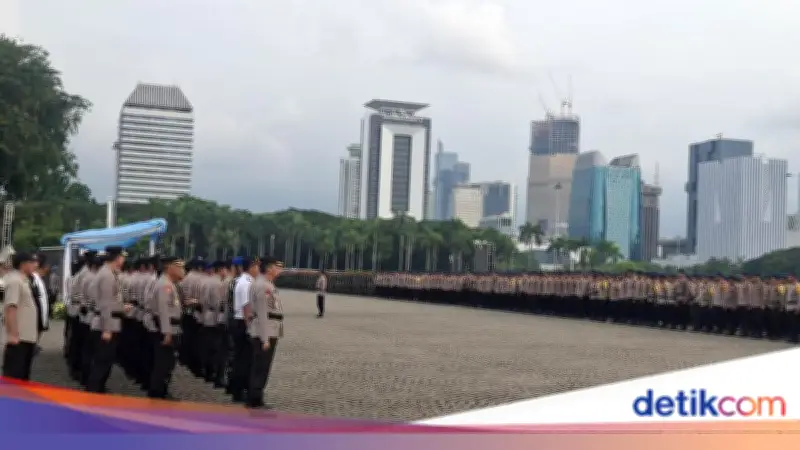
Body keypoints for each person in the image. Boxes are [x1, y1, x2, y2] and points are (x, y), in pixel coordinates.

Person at [86, 246, 128, 393]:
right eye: (123, 257)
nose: (124, 260)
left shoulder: (108, 273)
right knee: (102, 362)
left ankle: (98, 389)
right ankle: (94, 392)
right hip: (105, 325)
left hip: (108, 322)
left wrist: (121, 307)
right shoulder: (107, 275)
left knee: (105, 361)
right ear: (117, 258)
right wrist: (107, 329)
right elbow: (104, 304)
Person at [246, 256, 284, 409]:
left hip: (267, 328)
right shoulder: (263, 285)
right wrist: (265, 338)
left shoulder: (265, 283)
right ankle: (255, 398)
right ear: (269, 268)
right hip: (266, 329)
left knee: (262, 366)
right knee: (261, 366)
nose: (279, 270)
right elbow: (262, 312)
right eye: (277, 266)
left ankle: (256, 396)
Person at [147, 256, 185, 399]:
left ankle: (161, 390)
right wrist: (167, 332)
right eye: (180, 267)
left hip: (170, 328)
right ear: (170, 267)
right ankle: (157, 393)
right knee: (163, 364)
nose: (182, 270)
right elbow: (163, 310)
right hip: (165, 329)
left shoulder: (169, 283)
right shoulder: (165, 285)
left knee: (167, 363)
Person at [2, 252, 40, 380]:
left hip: (26, 336)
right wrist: (13, 334)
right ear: (23, 264)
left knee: (23, 374)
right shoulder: (14, 281)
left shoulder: (23, 279)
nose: (35, 265)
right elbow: (11, 308)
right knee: (15, 376)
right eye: (32, 262)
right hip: (19, 337)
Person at [228, 257, 259, 402]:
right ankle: (240, 391)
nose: (259, 269)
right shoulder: (247, 284)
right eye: (257, 266)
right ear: (251, 267)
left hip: (238, 321)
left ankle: (236, 389)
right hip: (243, 323)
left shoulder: (241, 280)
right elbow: (247, 308)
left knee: (240, 358)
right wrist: (250, 329)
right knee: (245, 360)